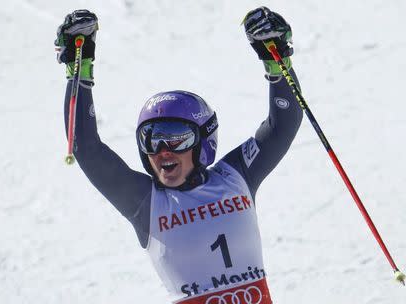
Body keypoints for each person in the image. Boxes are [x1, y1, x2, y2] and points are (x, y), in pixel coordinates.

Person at [55, 6, 303, 304]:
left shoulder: (237, 176)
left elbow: (282, 125)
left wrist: (276, 59)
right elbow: (87, 148)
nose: (162, 151)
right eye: (150, 140)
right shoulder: (145, 202)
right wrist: (78, 67)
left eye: (176, 139)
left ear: (203, 142)